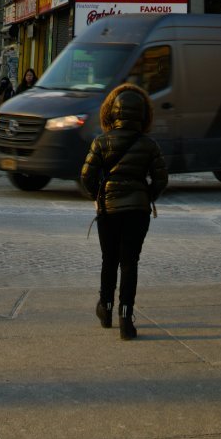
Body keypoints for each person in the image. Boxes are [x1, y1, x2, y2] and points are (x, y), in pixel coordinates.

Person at [80, 82, 167, 340]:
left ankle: (105, 309)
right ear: (143, 114)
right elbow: (161, 179)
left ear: (112, 112)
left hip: (108, 209)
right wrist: (146, 196)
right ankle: (126, 318)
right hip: (138, 211)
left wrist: (99, 194)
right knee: (130, 262)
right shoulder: (150, 145)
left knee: (109, 259)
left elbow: (86, 176)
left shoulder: (101, 141)